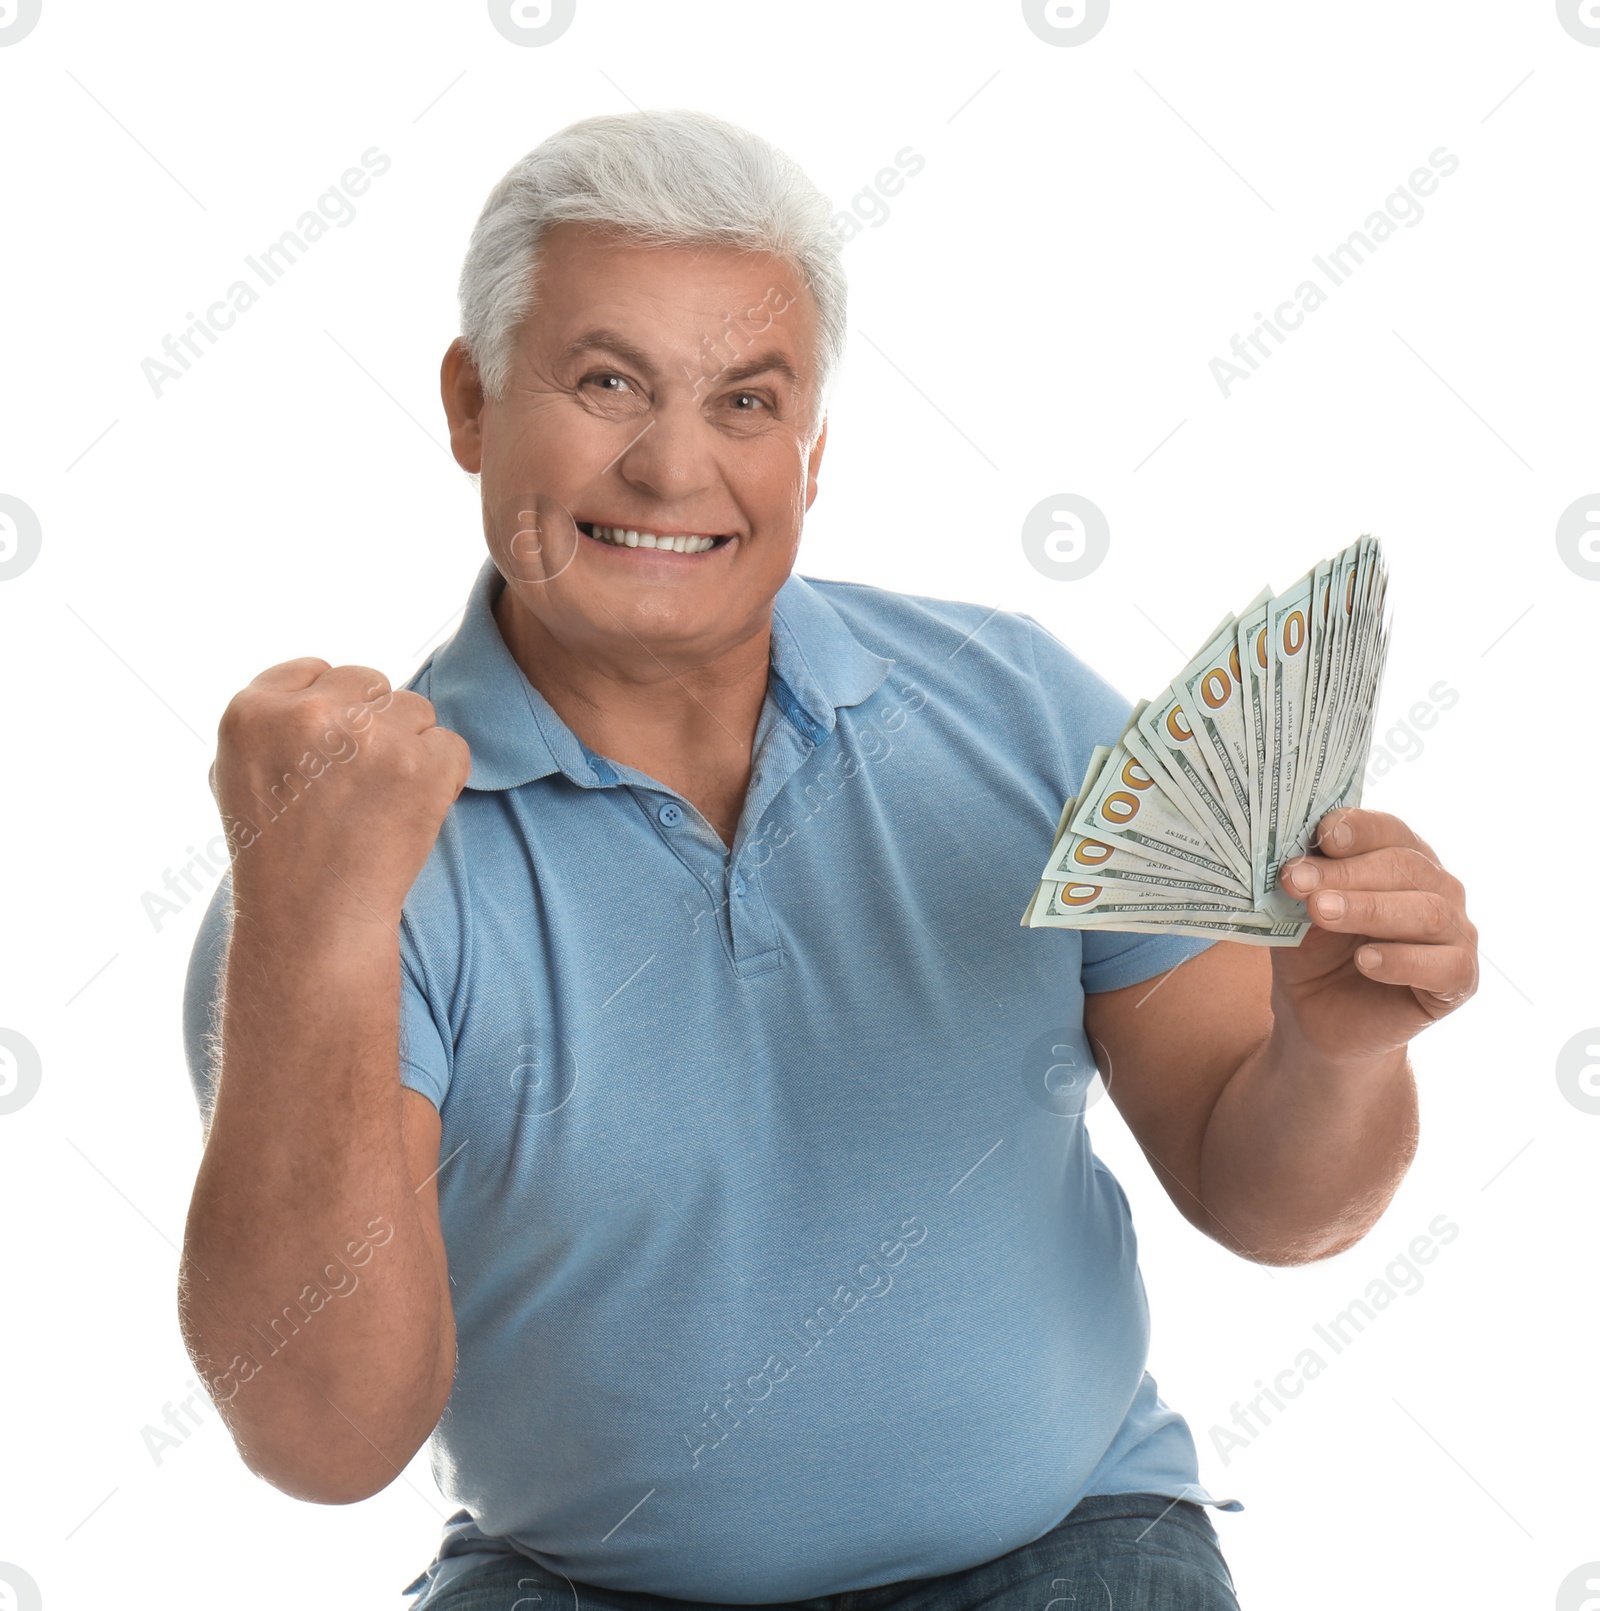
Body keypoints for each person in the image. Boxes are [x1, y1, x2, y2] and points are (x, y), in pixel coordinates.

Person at [178, 109, 1478, 1610]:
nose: (674, 467)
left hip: (1071, 1553)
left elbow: (1274, 1205)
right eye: (606, 383)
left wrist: (1335, 1048)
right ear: (472, 403)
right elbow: (325, 1440)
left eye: (745, 401)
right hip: (580, 1583)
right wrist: (316, 928)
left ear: (812, 450)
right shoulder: (340, 860)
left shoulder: (1018, 713)